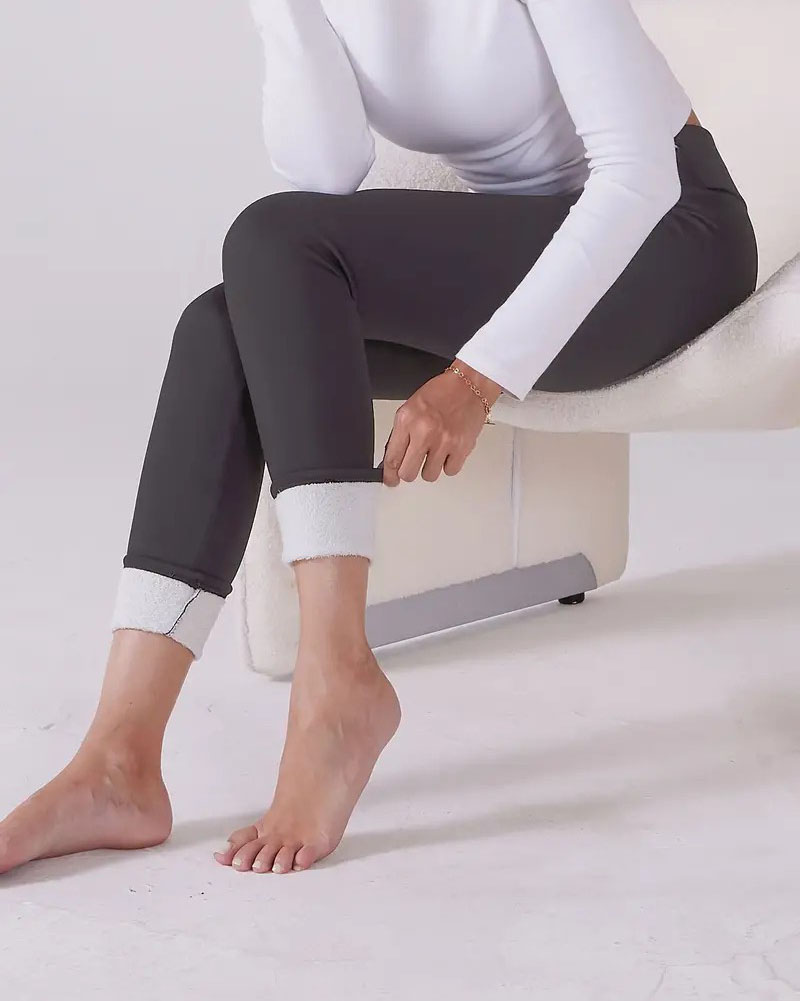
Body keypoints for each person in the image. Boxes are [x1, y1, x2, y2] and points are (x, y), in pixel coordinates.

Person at [0, 0, 757, 877]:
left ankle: (337, 678)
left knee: (270, 241)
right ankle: (118, 761)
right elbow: (324, 174)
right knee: (225, 325)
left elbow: (639, 176)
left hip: (668, 240)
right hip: (534, 243)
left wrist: (477, 379)